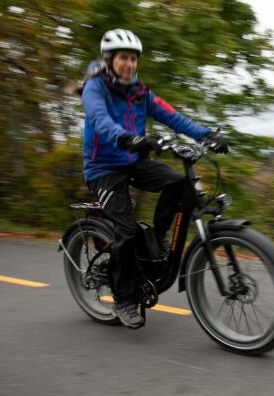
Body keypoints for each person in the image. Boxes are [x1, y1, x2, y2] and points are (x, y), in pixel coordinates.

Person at [81, 28, 228, 329]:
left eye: (134, 59)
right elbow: (100, 120)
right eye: (124, 58)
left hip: (134, 160)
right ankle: (123, 300)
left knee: (180, 183)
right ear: (110, 59)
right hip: (103, 169)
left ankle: (160, 235)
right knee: (126, 231)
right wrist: (127, 138)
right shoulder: (95, 88)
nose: (130, 64)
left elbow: (172, 116)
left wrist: (206, 134)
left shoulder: (140, 93)